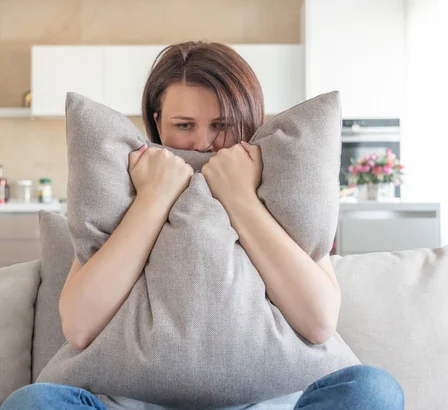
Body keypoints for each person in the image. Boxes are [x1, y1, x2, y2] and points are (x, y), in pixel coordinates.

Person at [0, 41, 404, 410]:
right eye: (184, 125)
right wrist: (154, 199)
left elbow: (318, 322)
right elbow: (80, 327)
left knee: (374, 392)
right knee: (31, 404)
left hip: (267, 403)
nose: (204, 144)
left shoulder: (280, 190)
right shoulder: (125, 189)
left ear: (248, 121)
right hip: (130, 403)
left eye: (222, 125)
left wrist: (241, 199)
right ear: (157, 124)